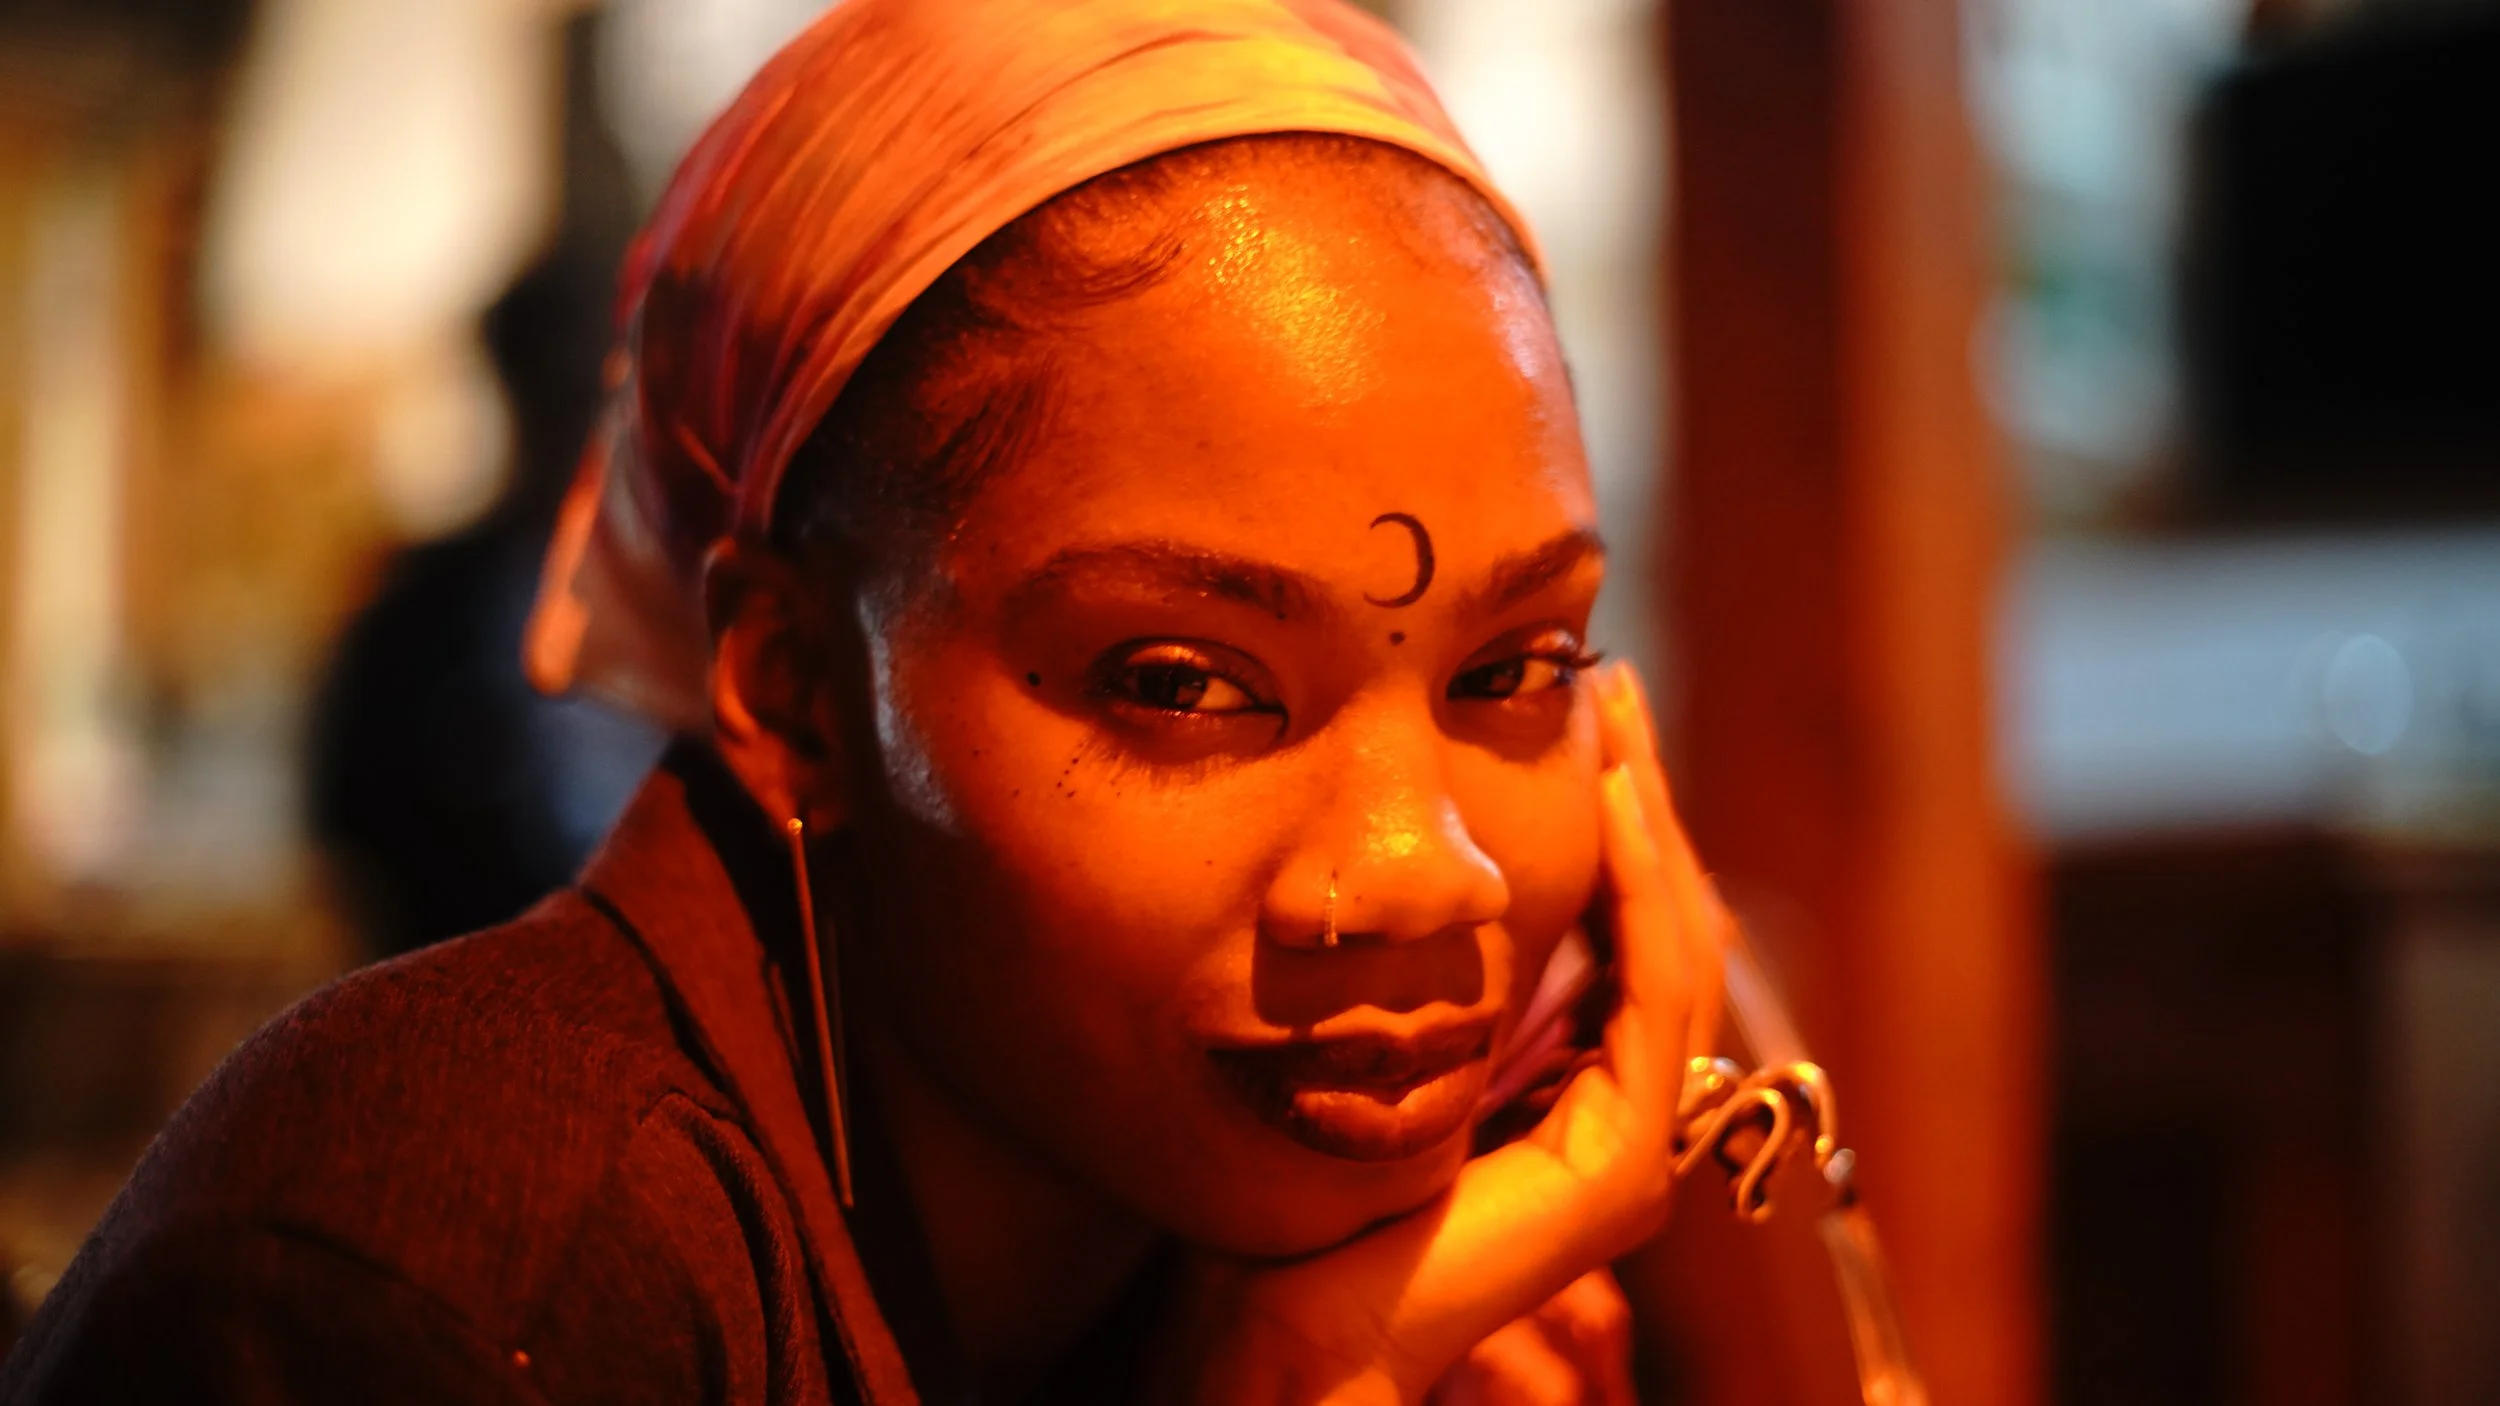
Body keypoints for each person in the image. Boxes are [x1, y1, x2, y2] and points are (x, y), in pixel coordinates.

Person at [0, 1, 1725, 1402]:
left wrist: (1738, 1124)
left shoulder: (1218, 1219)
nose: (1429, 875)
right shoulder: (459, 1276)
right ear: (799, 687)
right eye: (1186, 684)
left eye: (1520, 666)